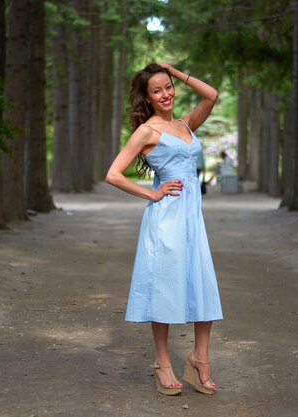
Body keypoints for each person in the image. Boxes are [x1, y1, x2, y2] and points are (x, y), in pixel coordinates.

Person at [105, 63, 223, 396]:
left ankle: (200, 358)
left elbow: (211, 95)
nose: (165, 94)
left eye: (168, 86)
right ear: (147, 98)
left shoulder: (186, 124)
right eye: (156, 90)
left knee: (201, 285)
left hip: (193, 221)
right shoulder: (147, 131)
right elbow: (114, 174)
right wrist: (152, 192)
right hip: (166, 220)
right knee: (165, 288)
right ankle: (162, 363)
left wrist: (176, 71)